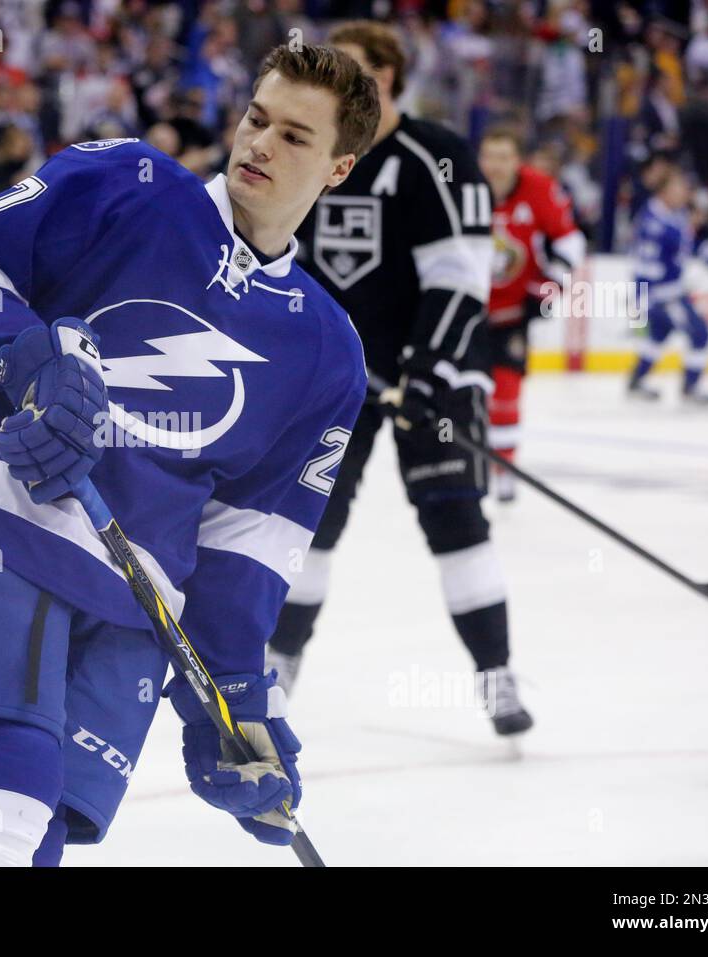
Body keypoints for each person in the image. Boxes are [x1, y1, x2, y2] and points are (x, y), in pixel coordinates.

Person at [0, 43, 378, 866]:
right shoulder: (126, 183)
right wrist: (23, 360)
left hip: (134, 603)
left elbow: (246, 546)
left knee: (40, 835)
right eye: (256, 119)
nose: (259, 145)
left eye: (294, 137)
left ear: (338, 168)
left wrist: (237, 703)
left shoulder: (327, 352)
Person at [266, 21, 532, 736]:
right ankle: (278, 663)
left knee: (455, 517)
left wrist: (427, 371)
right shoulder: (319, 150)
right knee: (311, 522)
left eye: (356, 72)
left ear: (391, 78)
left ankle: (496, 673)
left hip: (431, 372)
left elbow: (460, 277)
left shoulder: (438, 157)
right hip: (335, 378)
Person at [478, 126, 586, 502]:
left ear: (517, 160)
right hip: (466, 310)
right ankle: (470, 468)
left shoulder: (540, 189)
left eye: (504, 157)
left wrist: (549, 285)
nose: (496, 166)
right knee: (465, 393)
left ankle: (504, 470)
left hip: (512, 313)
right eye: (490, 156)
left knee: (506, 391)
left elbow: (571, 240)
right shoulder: (466, 187)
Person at [627, 168, 708, 405]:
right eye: (677, 188)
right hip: (663, 295)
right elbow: (650, 262)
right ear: (663, 191)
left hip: (666, 292)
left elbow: (684, 246)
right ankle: (690, 387)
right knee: (699, 332)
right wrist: (645, 297)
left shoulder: (673, 214)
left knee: (659, 334)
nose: (683, 193)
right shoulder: (655, 222)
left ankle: (636, 380)